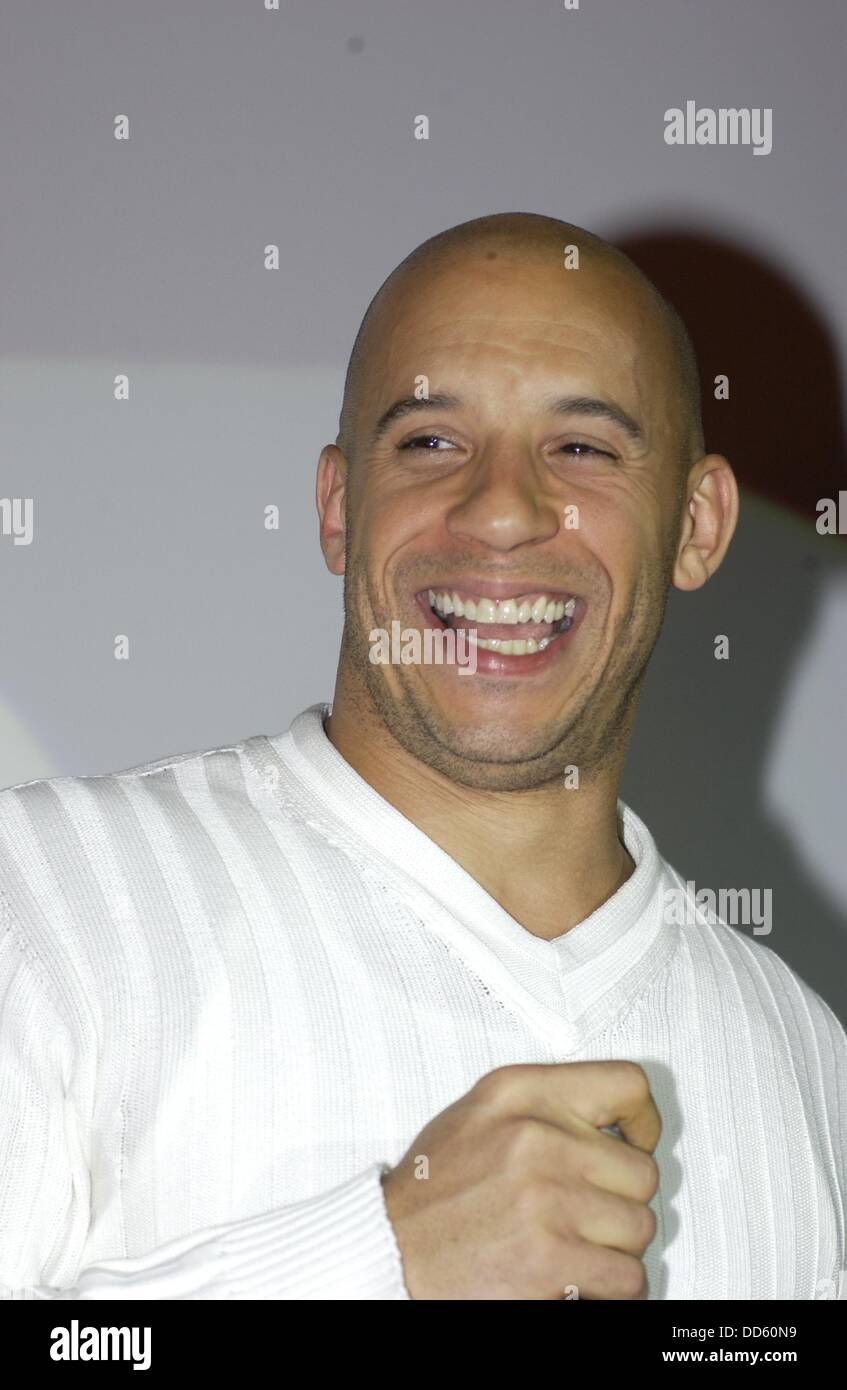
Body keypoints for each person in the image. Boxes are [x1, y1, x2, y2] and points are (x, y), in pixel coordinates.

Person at [1, 212, 844, 1301]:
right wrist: (379, 1260)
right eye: (431, 441)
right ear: (339, 510)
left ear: (697, 525)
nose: (499, 510)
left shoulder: (805, 1064)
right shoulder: (50, 903)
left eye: (581, 447)